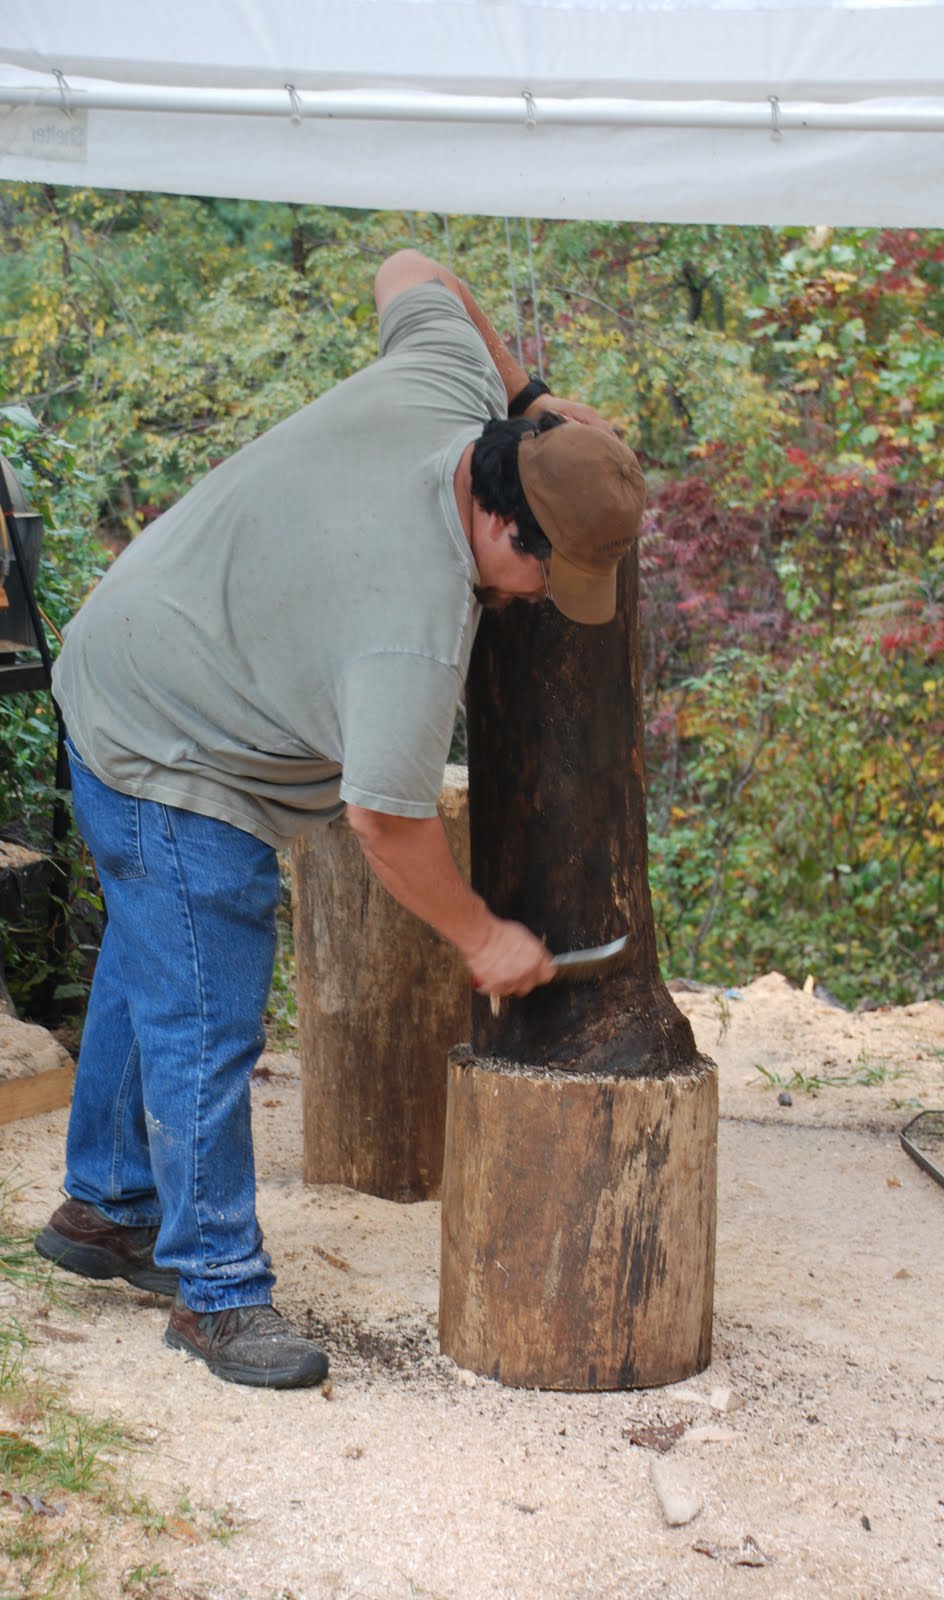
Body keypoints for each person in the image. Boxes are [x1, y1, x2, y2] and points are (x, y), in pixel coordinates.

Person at [34, 248, 646, 1389]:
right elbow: (385, 823)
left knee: (150, 953)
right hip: (173, 736)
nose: (532, 605)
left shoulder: (454, 393)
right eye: (544, 581)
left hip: (123, 648)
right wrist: (482, 937)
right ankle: (218, 1294)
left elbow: (412, 263)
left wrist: (524, 398)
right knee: (207, 1000)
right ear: (509, 530)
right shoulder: (411, 625)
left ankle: (107, 1205)